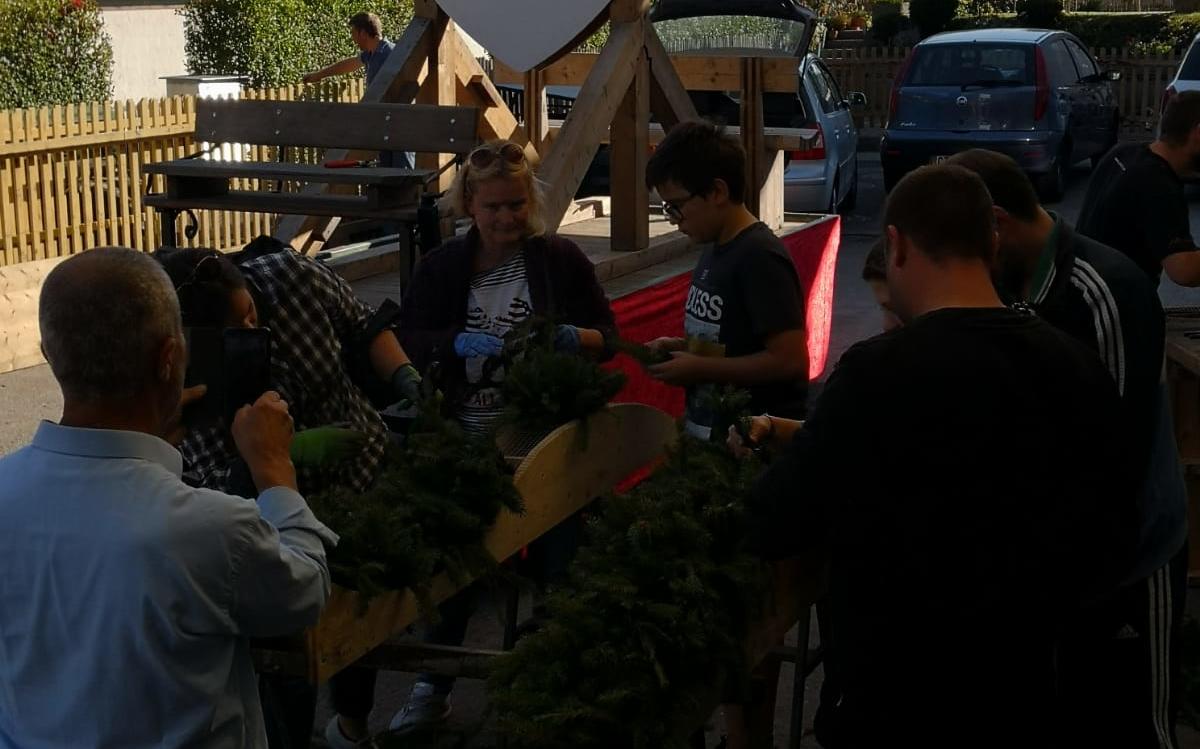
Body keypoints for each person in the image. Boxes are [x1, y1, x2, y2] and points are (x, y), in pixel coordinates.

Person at [747, 165, 1136, 747]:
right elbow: (1110, 535)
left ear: (896, 245)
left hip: (894, 704)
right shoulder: (1074, 365)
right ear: (993, 242)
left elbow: (777, 521)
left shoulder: (875, 374)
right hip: (1025, 697)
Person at [315, 139, 615, 747]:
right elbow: (411, 336)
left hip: (546, 438)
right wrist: (452, 343)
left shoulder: (559, 261)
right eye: (493, 207)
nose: (506, 218)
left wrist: (572, 339)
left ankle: (549, 691)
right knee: (456, 565)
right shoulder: (442, 268)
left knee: (559, 564)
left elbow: (608, 337)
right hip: (462, 438)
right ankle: (435, 685)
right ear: (469, 205)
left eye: (516, 205)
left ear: (531, 201)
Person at [0, 247, 335, 748]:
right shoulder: (212, 527)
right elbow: (304, 591)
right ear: (170, 357)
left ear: (50, 356)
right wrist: (273, 470)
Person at [949, 147, 1188, 749]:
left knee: (1132, 723)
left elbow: (1113, 462)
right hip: (1053, 559)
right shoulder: (1005, 281)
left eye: (959, 243)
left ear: (995, 222)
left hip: (1131, 558)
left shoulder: (1102, 292)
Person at [155, 238, 418, 498]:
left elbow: (364, 323)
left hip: (374, 463)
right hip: (293, 515)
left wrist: (403, 374)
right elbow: (209, 482)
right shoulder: (193, 377)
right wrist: (279, 450)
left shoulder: (293, 276)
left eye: (249, 312)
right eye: (234, 333)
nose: (251, 329)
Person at [643, 120, 809, 440]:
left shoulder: (760, 257)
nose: (673, 219)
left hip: (750, 445)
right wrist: (681, 348)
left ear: (717, 191)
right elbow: (731, 342)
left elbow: (790, 361)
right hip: (709, 435)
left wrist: (698, 368)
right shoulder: (714, 248)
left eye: (675, 207)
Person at [1077, 90, 1200, 286]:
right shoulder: (1158, 185)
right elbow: (1185, 270)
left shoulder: (1123, 152)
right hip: (1114, 305)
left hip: (1082, 289)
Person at [303, 12, 394, 87]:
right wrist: (318, 75)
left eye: (353, 34)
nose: (353, 40)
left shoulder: (391, 54)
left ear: (363, 33)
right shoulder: (368, 54)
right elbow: (346, 65)